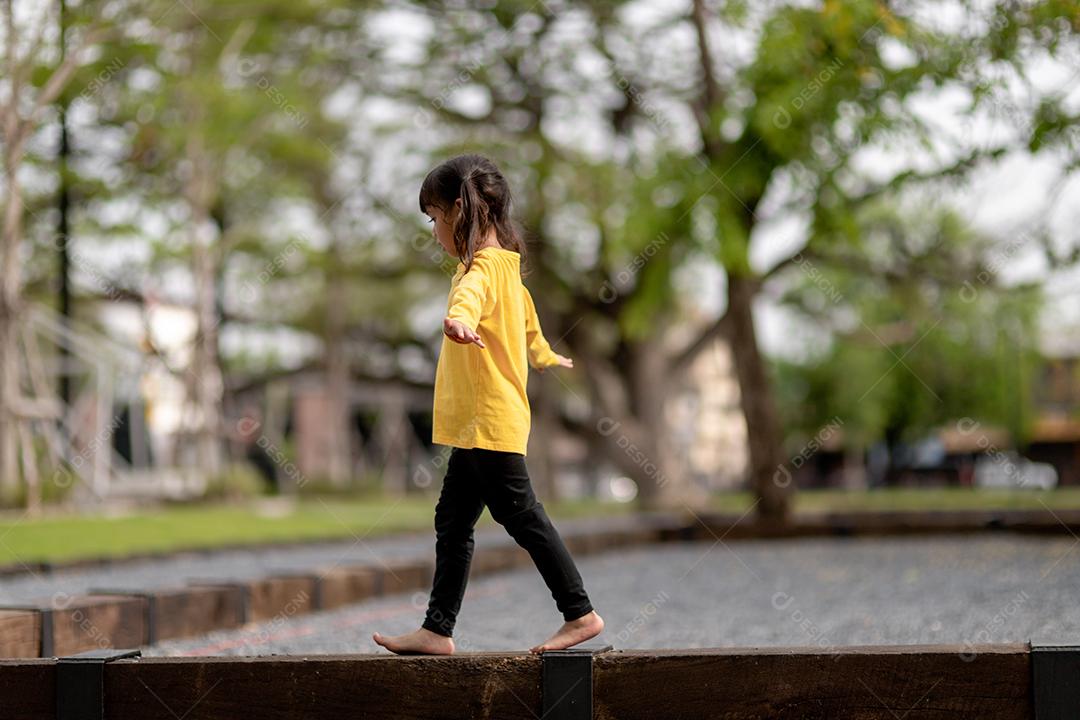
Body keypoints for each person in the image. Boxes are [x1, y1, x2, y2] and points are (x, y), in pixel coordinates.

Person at [373, 154, 604, 655]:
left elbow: (470, 299)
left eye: (435, 218)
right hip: (478, 424)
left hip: (487, 420)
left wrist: (457, 319)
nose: (434, 230)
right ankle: (437, 630)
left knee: (521, 516)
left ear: (460, 210)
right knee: (453, 521)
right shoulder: (510, 273)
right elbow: (528, 327)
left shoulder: (482, 269)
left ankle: (580, 613)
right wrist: (543, 355)